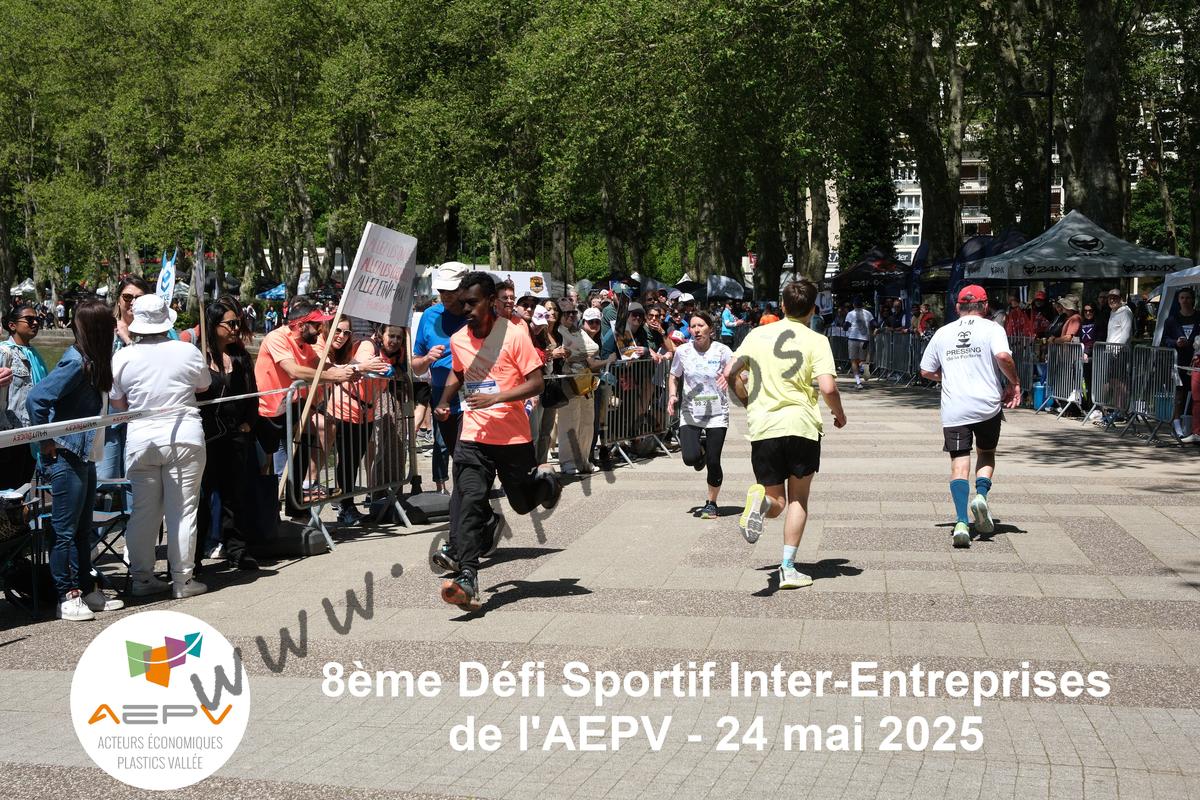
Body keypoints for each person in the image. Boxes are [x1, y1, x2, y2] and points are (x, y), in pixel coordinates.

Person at [434, 272, 563, 609]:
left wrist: (497, 398)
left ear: (491, 301)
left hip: (512, 437)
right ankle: (467, 576)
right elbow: (459, 372)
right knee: (470, 500)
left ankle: (547, 485)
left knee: (521, 503)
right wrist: (445, 400)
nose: (466, 309)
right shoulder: (459, 339)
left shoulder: (514, 335)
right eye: (462, 303)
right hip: (473, 435)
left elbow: (536, 383)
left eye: (472, 303)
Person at [727, 281, 846, 590]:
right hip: (801, 426)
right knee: (798, 499)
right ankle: (788, 567)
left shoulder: (757, 335)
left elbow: (730, 372)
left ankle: (761, 505)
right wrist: (839, 414)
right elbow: (828, 387)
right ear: (813, 309)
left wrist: (747, 401)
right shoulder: (817, 340)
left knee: (776, 500)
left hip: (764, 426)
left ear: (782, 305)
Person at [26, 300, 123, 620]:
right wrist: (46, 441)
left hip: (84, 455)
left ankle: (86, 588)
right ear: (99, 329)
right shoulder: (75, 362)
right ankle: (66, 595)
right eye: (111, 325)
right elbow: (37, 399)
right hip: (66, 455)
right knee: (64, 530)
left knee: (82, 529)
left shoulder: (94, 361)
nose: (115, 329)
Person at [111, 295, 212, 599]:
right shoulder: (187, 350)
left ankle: (142, 578)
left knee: (143, 512)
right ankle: (183, 580)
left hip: (141, 438)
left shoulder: (123, 357)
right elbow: (204, 385)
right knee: (183, 511)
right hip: (183, 435)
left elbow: (118, 404)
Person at [919, 285, 1021, 549]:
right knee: (986, 453)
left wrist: (948, 376)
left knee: (959, 464)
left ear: (957, 307)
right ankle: (981, 496)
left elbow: (926, 371)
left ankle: (962, 523)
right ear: (985, 306)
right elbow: (1003, 356)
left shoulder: (943, 332)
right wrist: (1014, 383)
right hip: (987, 405)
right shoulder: (992, 329)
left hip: (955, 408)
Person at [253, 298, 358, 501]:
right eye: (317, 325)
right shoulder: (277, 337)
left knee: (319, 431)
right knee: (266, 466)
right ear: (301, 326)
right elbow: (293, 371)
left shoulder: (304, 343)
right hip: (267, 411)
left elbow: (321, 364)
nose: (321, 330)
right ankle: (269, 505)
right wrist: (333, 376)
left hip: (291, 406)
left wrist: (350, 370)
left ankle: (303, 491)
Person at [195, 300, 260, 571]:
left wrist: (248, 424)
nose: (236, 328)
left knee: (234, 495)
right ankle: (194, 556)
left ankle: (237, 550)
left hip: (235, 436)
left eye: (238, 323)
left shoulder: (241, 357)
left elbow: (252, 393)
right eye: (231, 323)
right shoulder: (198, 357)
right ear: (214, 325)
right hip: (206, 437)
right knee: (201, 498)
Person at [412, 262, 470, 499]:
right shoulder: (429, 315)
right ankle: (446, 490)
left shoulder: (475, 314)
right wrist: (427, 358)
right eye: (442, 290)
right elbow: (416, 366)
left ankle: (468, 494)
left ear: (463, 288)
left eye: (451, 290)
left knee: (468, 448)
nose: (445, 295)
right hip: (440, 391)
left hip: (472, 391)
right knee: (444, 444)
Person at [667, 311, 732, 519]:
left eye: (701, 325)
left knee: (713, 461)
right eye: (693, 326)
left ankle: (711, 503)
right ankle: (700, 448)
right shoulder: (683, 351)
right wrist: (672, 395)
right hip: (691, 411)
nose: (696, 330)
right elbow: (673, 375)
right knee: (690, 458)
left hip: (716, 412)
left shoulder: (722, 351)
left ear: (710, 329)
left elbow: (739, 370)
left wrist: (730, 376)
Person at [0, 304, 48, 489]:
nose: (35, 322)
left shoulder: (35, 356)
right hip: (8, 435)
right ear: (12, 325)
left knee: (22, 489)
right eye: (29, 319)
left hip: (31, 436)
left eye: (37, 319)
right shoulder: (3, 352)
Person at [555, 298, 596, 475]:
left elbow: (593, 348)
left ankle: (584, 460)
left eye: (574, 312)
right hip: (568, 382)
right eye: (567, 313)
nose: (571, 316)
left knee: (587, 422)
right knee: (569, 423)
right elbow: (564, 353)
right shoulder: (558, 331)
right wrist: (578, 353)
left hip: (586, 380)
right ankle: (567, 461)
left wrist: (575, 353)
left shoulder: (579, 331)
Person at [1162, 287, 1198, 437]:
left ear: (1193, 300)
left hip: (1196, 361)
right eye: (1182, 298)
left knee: (1195, 394)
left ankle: (1192, 427)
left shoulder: (1198, 317)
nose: (1185, 300)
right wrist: (1176, 342)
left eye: (1188, 298)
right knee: (1179, 393)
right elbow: (1165, 339)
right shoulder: (1172, 320)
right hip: (1178, 361)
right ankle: (1177, 424)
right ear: (1178, 300)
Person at [844, 297, 874, 389]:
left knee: (853, 361)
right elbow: (874, 324)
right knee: (862, 360)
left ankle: (858, 382)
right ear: (862, 305)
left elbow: (845, 327)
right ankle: (864, 368)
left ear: (854, 305)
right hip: (864, 339)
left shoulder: (850, 314)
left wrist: (846, 325)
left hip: (853, 339)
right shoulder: (868, 313)